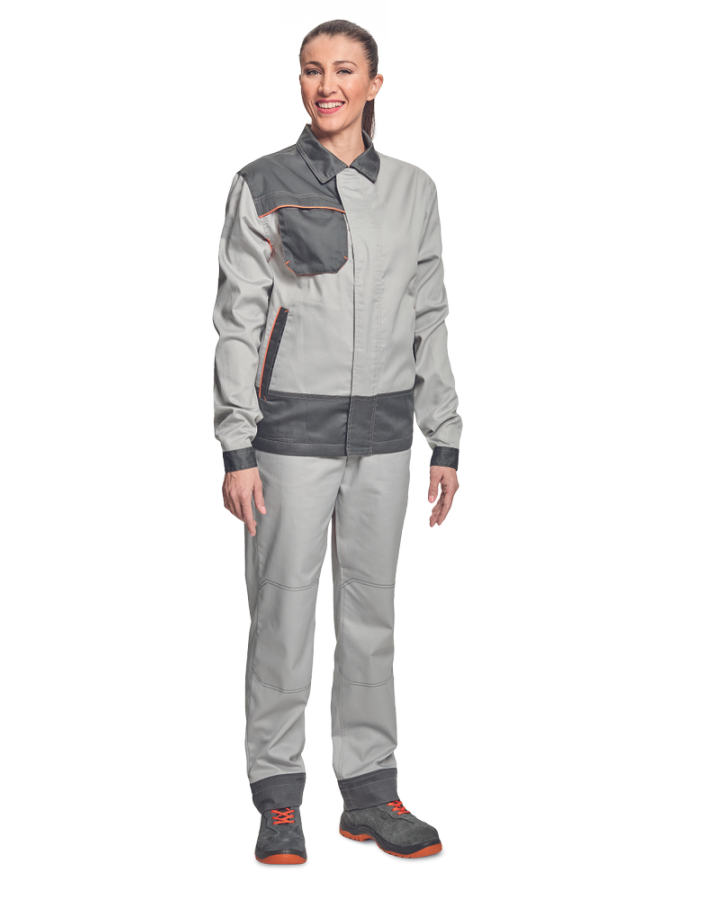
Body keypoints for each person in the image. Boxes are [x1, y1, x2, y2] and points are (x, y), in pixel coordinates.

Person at [210, 17, 463, 870]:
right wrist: (236, 447)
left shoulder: (415, 189)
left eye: (346, 70)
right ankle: (279, 798)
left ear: (375, 83)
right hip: (290, 438)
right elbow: (237, 321)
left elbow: (430, 316)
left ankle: (369, 792)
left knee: (371, 617)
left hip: (386, 438)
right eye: (313, 70)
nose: (328, 85)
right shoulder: (262, 182)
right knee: (282, 612)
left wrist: (445, 437)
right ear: (300, 82)